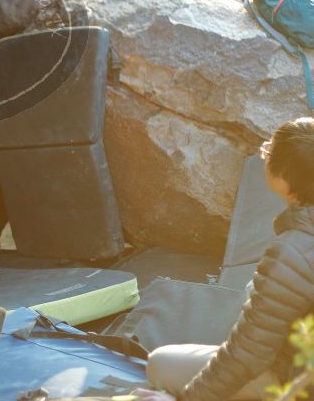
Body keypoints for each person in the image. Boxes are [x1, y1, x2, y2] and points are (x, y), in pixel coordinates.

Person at [132, 117, 314, 401]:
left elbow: (246, 357)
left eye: (267, 152)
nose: (263, 154)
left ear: (285, 180)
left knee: (160, 366)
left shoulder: (291, 252)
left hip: (297, 382)